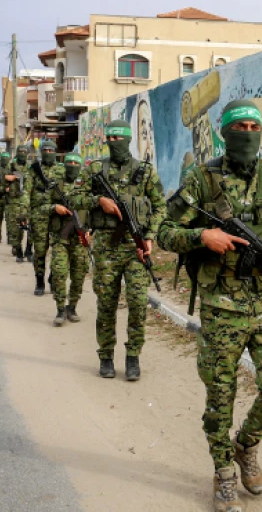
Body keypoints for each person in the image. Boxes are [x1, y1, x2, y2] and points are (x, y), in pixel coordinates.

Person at [158, 100, 262, 511]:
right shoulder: (201, 180)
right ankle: (223, 472)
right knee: (220, 395)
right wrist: (202, 237)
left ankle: (246, 446)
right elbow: (164, 230)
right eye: (238, 126)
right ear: (225, 132)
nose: (246, 133)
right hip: (221, 307)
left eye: (252, 126)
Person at [73, 120, 164, 381]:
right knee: (106, 304)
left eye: (118, 138)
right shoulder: (94, 170)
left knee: (137, 304)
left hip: (135, 249)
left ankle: (133, 356)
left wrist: (150, 236)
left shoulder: (144, 172)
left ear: (127, 140)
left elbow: (160, 207)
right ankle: (106, 357)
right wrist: (97, 201)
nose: (113, 143)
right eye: (109, 139)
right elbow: (75, 198)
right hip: (105, 247)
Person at [45, 153, 90, 326]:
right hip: (60, 238)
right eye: (69, 162)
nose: (72, 165)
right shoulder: (56, 185)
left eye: (75, 163)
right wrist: (54, 207)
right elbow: (41, 206)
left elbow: (93, 210)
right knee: (59, 273)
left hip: (79, 239)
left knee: (79, 275)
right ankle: (60, 309)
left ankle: (72, 307)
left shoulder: (87, 186)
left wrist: (90, 231)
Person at [22, 140, 61, 295]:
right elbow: (26, 191)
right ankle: (39, 282)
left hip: (58, 216)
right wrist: (24, 211)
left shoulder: (62, 170)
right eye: (45, 150)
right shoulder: (33, 170)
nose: (48, 153)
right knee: (40, 250)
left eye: (51, 151)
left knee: (58, 249)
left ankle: (53, 277)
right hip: (39, 215)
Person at [7, 145, 31, 262]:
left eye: (24, 152)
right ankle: (19, 251)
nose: (22, 153)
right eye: (20, 151)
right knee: (16, 229)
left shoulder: (32, 167)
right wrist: (7, 179)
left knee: (32, 228)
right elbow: (1, 179)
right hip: (15, 202)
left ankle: (29, 250)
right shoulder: (10, 166)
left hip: (29, 202)